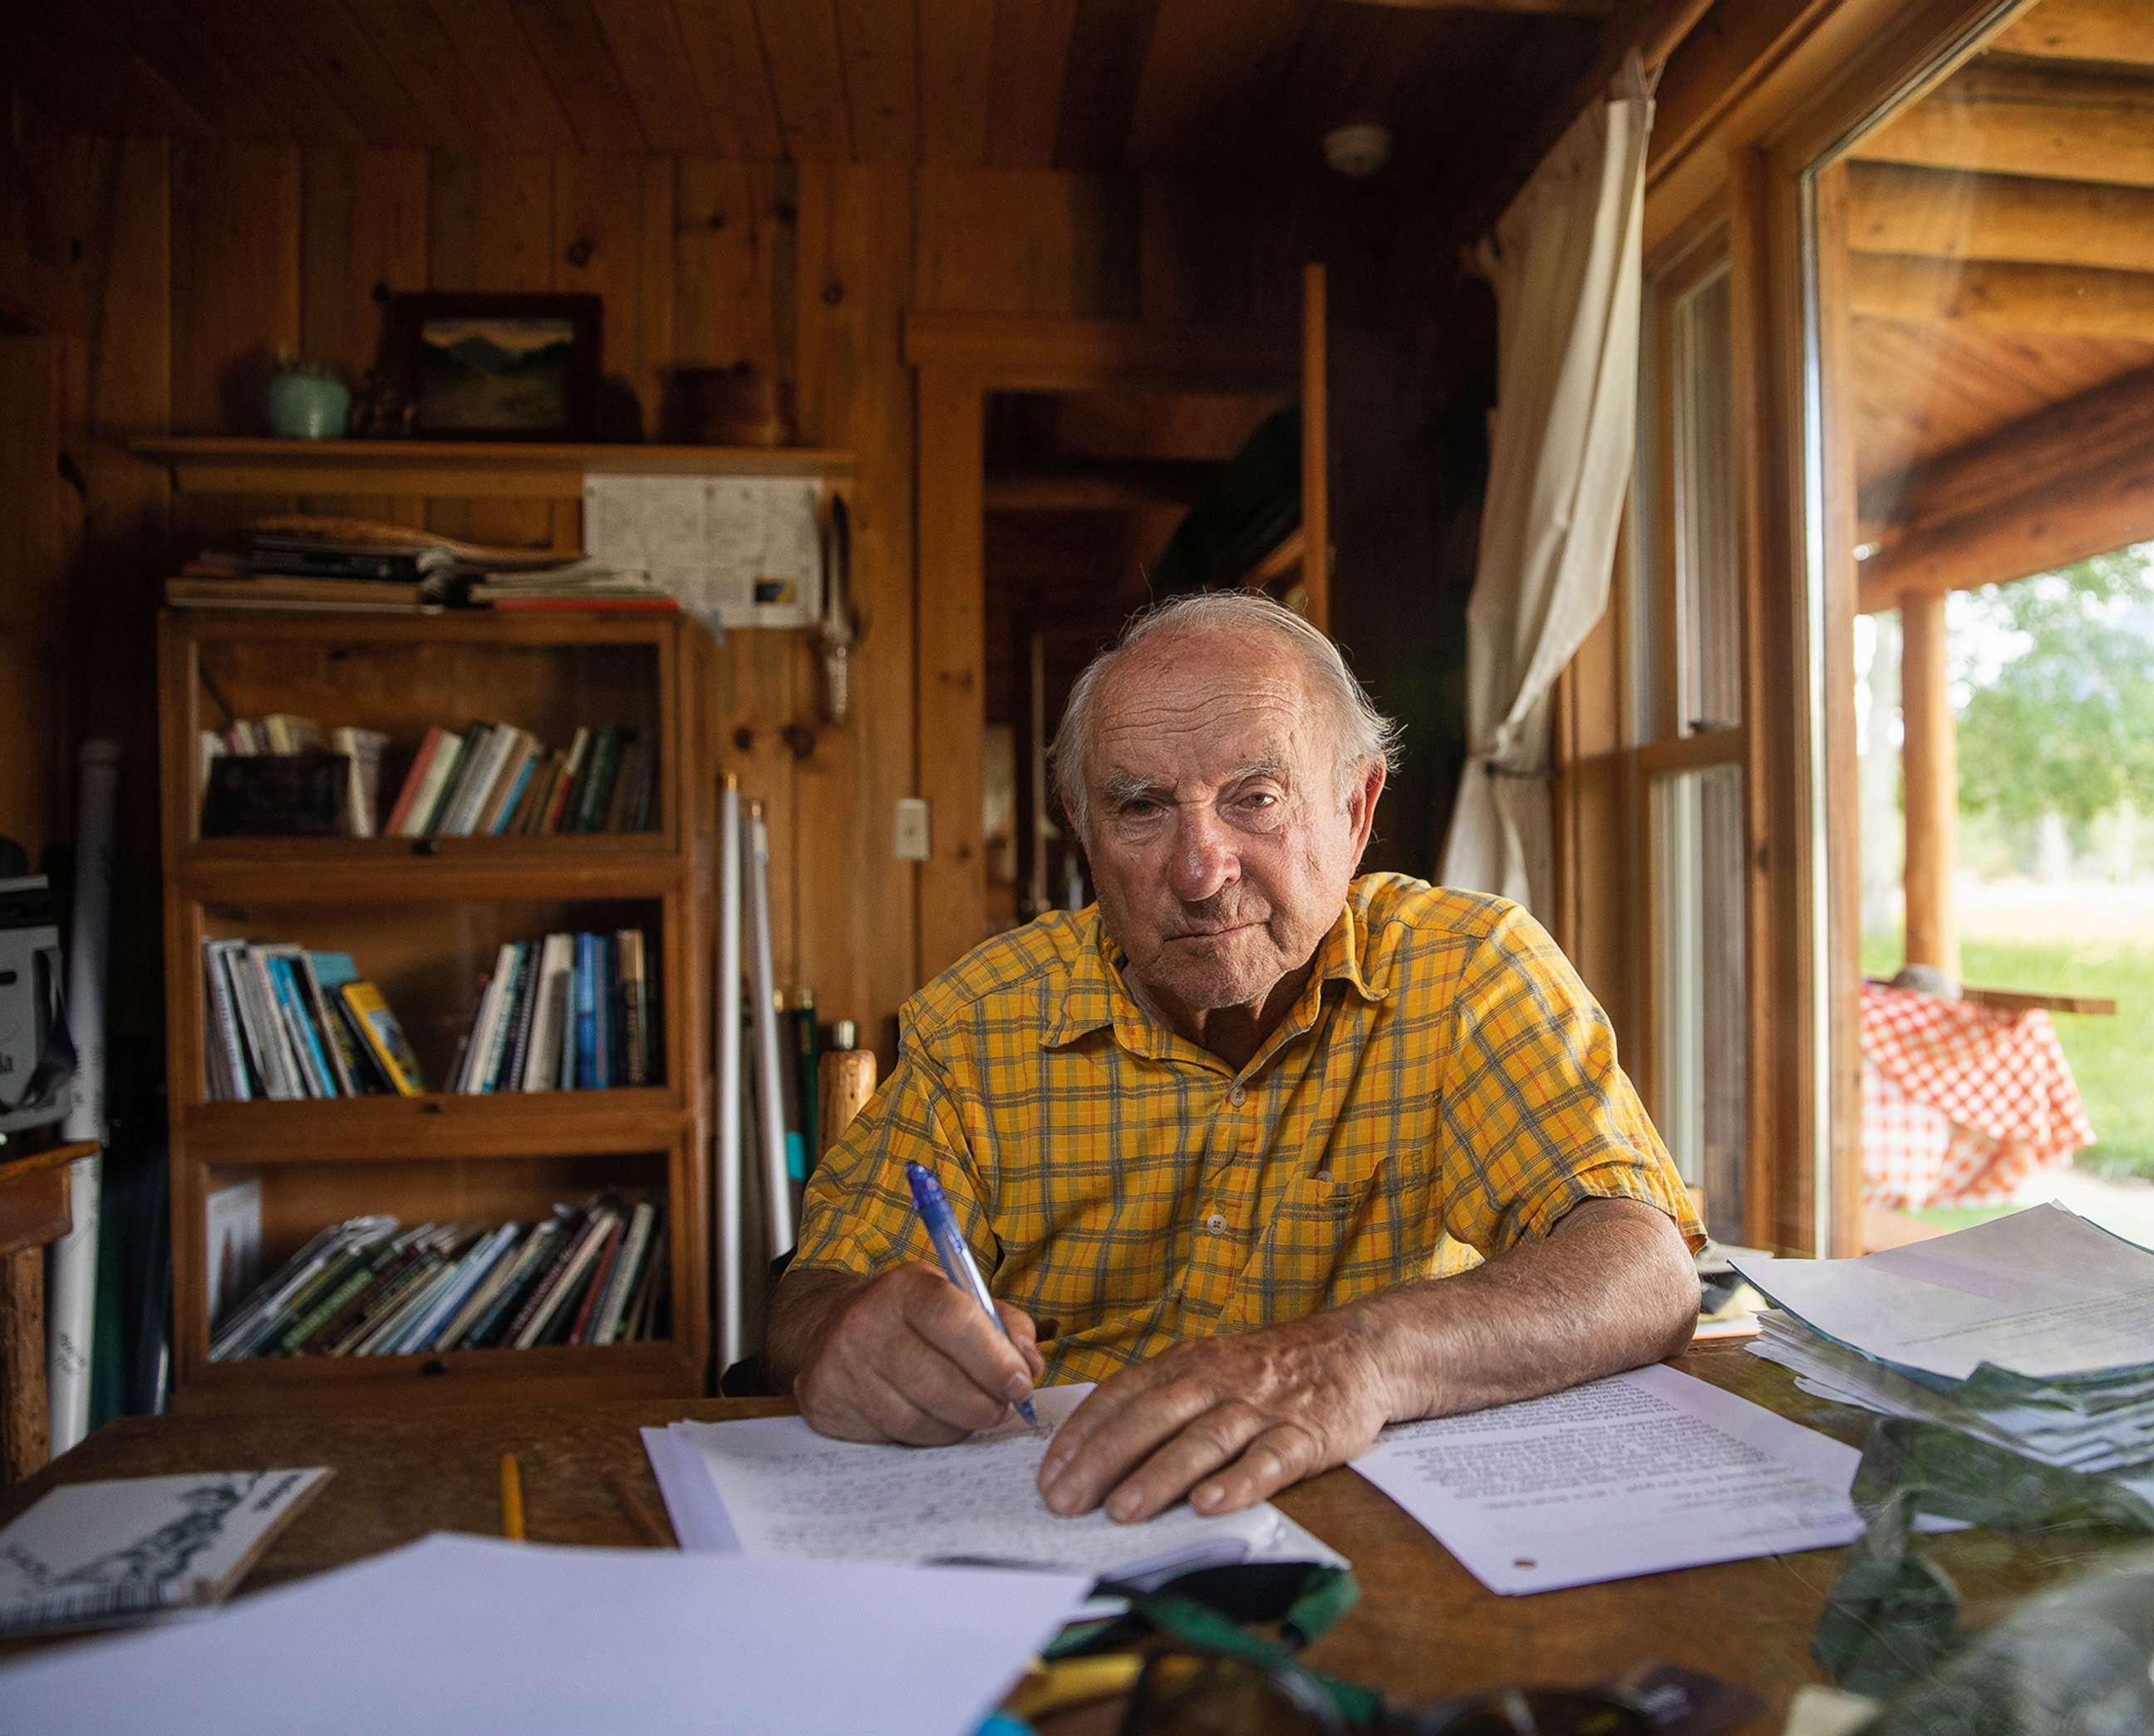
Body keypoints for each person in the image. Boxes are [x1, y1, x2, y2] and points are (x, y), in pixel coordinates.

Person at [765, 593, 1703, 1527]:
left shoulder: (1467, 974)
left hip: (1374, 1530)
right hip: (1052, 1525)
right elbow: (815, 1295)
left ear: (1356, 808)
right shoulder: (978, 1023)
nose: (1202, 870)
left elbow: (1643, 1270)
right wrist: (844, 1335)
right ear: (1082, 828)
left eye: (1255, 799)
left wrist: (1349, 1360)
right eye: (1140, 807)